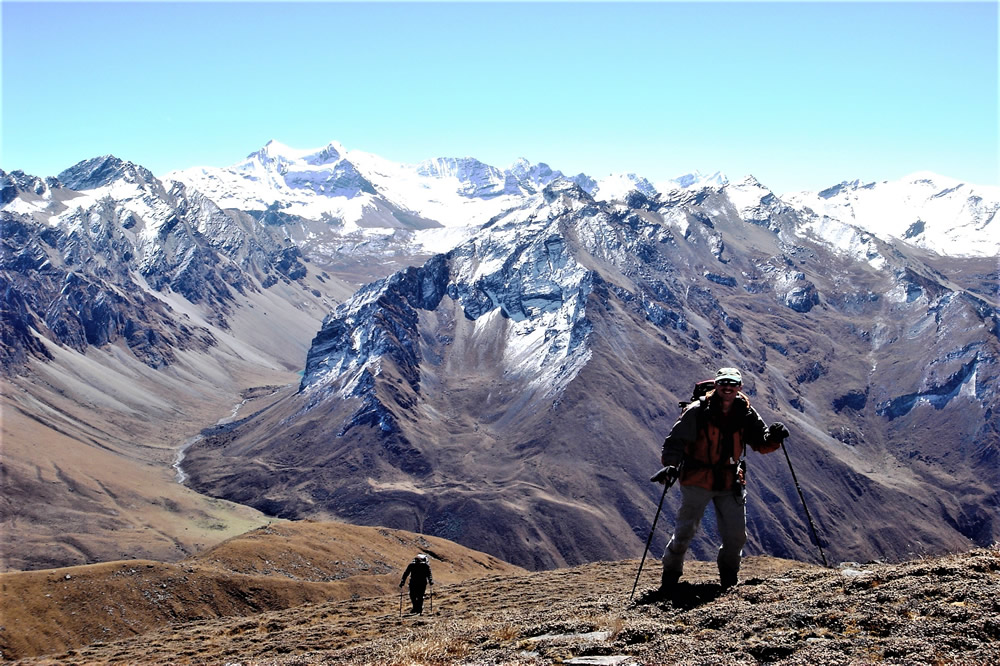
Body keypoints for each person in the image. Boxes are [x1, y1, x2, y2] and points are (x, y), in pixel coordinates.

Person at [658, 367, 789, 592]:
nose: (727, 387)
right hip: (697, 478)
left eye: (732, 383)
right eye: (723, 383)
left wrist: (774, 438)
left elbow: (761, 442)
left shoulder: (746, 412)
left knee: (736, 535)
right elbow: (675, 441)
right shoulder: (697, 410)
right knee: (684, 532)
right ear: (717, 385)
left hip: (729, 480)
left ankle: (729, 580)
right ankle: (670, 578)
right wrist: (670, 465)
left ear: (739, 387)